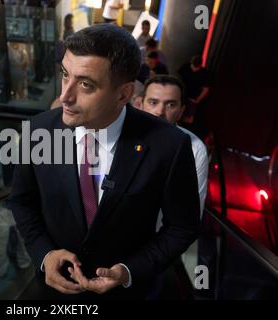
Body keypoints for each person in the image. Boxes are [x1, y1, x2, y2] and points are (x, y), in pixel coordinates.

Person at [10, 24, 200, 299]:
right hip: (56, 291)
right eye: (65, 75)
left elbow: (182, 227)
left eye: (85, 84)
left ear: (123, 94)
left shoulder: (169, 145)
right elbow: (21, 201)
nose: (65, 95)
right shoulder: (38, 131)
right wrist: (45, 254)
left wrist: (129, 270)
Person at [141, 75, 208, 218]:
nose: (160, 112)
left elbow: (191, 214)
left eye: (170, 105)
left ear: (181, 111)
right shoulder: (120, 136)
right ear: (141, 105)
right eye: (153, 102)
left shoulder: (195, 148)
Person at [177, 55, 210, 131]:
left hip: (192, 99)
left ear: (200, 66)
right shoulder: (185, 67)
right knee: (177, 115)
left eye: (196, 68)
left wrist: (197, 100)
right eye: (193, 67)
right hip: (181, 96)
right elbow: (177, 79)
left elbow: (206, 89)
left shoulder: (204, 73)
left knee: (188, 119)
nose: (194, 69)